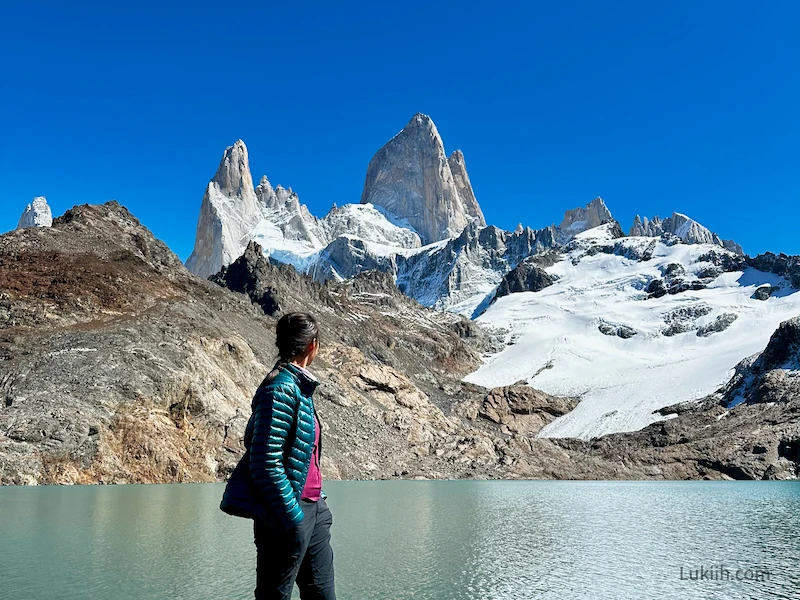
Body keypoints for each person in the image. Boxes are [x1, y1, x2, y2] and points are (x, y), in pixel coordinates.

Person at [221, 312, 336, 600]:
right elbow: (264, 462)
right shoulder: (280, 389)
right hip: (286, 514)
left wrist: (316, 507)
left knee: (322, 594)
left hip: (312, 507)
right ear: (312, 346)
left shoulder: (298, 387)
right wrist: (293, 517)